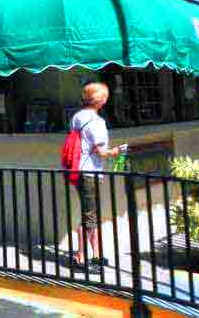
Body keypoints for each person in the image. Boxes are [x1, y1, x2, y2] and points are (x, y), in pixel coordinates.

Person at [70, 82, 123, 273]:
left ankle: (96, 254)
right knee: (90, 216)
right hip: (90, 172)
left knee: (90, 213)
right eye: (105, 96)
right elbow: (101, 151)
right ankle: (81, 257)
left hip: (77, 170)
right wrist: (117, 151)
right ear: (101, 100)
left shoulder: (77, 117)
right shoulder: (97, 122)